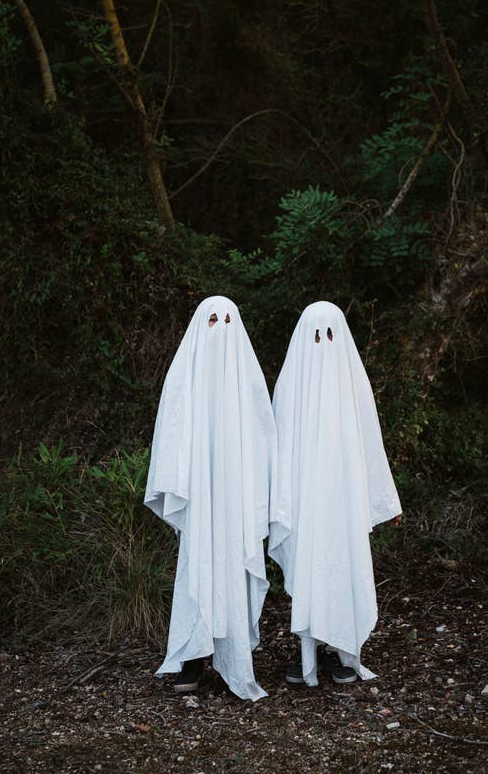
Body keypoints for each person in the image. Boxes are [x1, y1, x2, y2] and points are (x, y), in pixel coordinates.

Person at [144, 296, 276, 701]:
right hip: (200, 493)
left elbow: (264, 437)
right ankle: (194, 654)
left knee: (234, 564)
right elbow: (171, 428)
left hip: (236, 494)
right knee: (199, 564)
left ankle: (233, 654)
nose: (219, 328)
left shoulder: (248, 380)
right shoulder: (185, 373)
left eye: (227, 320)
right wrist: (179, 481)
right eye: (212, 320)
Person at [268, 301, 402, 686]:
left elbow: (370, 443)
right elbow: (278, 449)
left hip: (342, 501)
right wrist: (277, 504)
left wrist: (385, 500)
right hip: (304, 501)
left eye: (330, 335)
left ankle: (339, 648)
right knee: (308, 571)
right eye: (315, 336)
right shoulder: (290, 386)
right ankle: (307, 652)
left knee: (341, 568)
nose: (323, 344)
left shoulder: (353, 384)